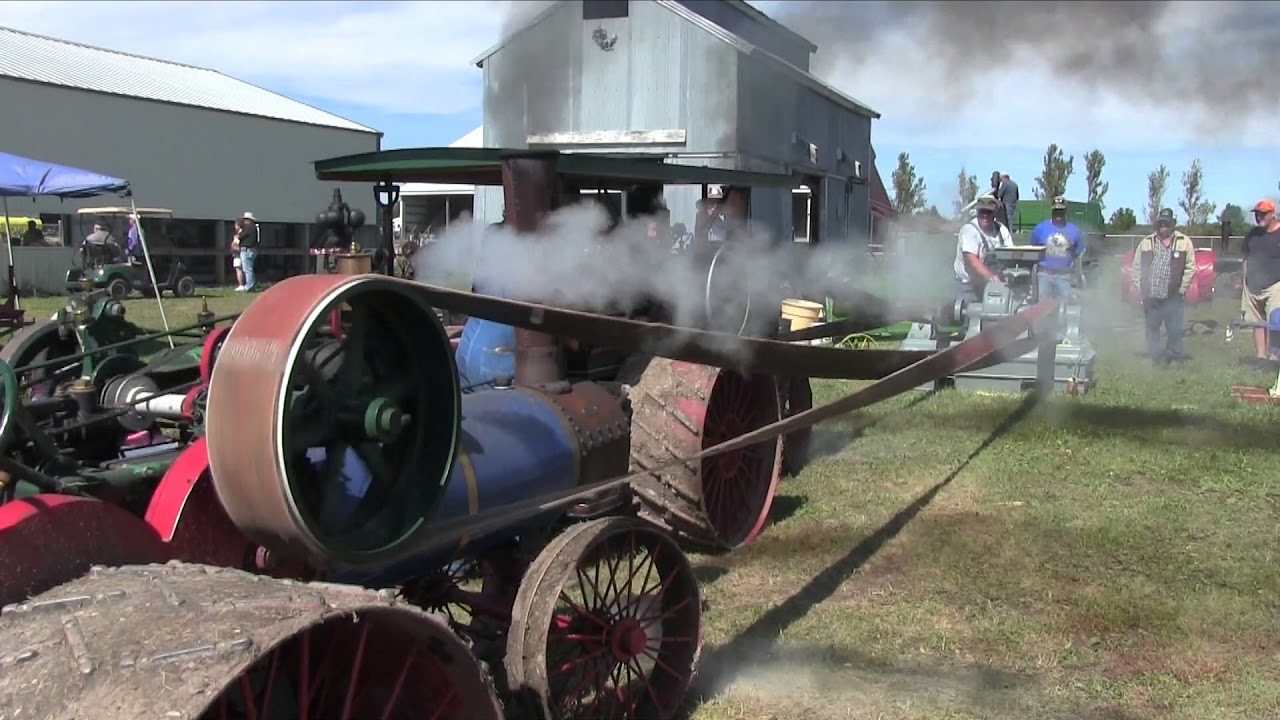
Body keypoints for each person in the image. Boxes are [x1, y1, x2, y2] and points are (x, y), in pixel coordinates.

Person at [1130, 208, 1195, 365]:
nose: (1163, 226)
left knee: (1174, 329)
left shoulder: (1184, 242)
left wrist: (1181, 290)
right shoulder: (1146, 242)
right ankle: (1156, 357)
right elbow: (1137, 267)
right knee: (1152, 328)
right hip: (1151, 296)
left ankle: (1174, 357)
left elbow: (1190, 267)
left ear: (1172, 224)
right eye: (1161, 223)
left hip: (1173, 295)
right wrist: (1141, 290)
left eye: (1166, 223)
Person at [1240, 198, 1280, 362]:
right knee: (1257, 322)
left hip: (1276, 285)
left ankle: (1275, 355)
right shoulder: (1252, 235)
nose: (1259, 217)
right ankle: (1261, 357)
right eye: (1257, 214)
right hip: (1252, 286)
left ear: (1273, 214)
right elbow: (1246, 258)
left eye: (1263, 214)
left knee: (1276, 318)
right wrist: (1245, 279)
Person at [953, 195, 1012, 300]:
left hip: (994, 284)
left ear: (994, 213)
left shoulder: (1002, 231)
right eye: (982, 212)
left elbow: (1011, 255)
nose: (985, 215)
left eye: (988, 212)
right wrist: (990, 276)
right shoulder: (969, 230)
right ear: (977, 212)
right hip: (968, 286)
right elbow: (971, 259)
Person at [1028, 196, 1083, 302]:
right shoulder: (1040, 229)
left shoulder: (1075, 230)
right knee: (1042, 309)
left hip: (1065, 276)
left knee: (1067, 307)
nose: (1058, 215)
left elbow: (1079, 255)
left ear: (1065, 211)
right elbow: (1032, 251)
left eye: (1061, 211)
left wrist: (1078, 277)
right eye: (1056, 211)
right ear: (1052, 211)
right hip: (1044, 275)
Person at [235, 211, 260, 292]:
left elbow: (241, 236)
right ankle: (250, 285)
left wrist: (238, 235)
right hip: (251, 250)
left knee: (247, 269)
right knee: (249, 269)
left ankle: (249, 286)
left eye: (245, 219)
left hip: (247, 250)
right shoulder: (254, 228)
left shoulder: (249, 228)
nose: (244, 221)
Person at [230, 218, 246, 290]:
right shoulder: (244, 233)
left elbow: (236, 244)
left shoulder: (239, 235)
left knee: (238, 269)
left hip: (238, 254)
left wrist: (233, 246)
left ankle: (241, 285)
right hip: (241, 253)